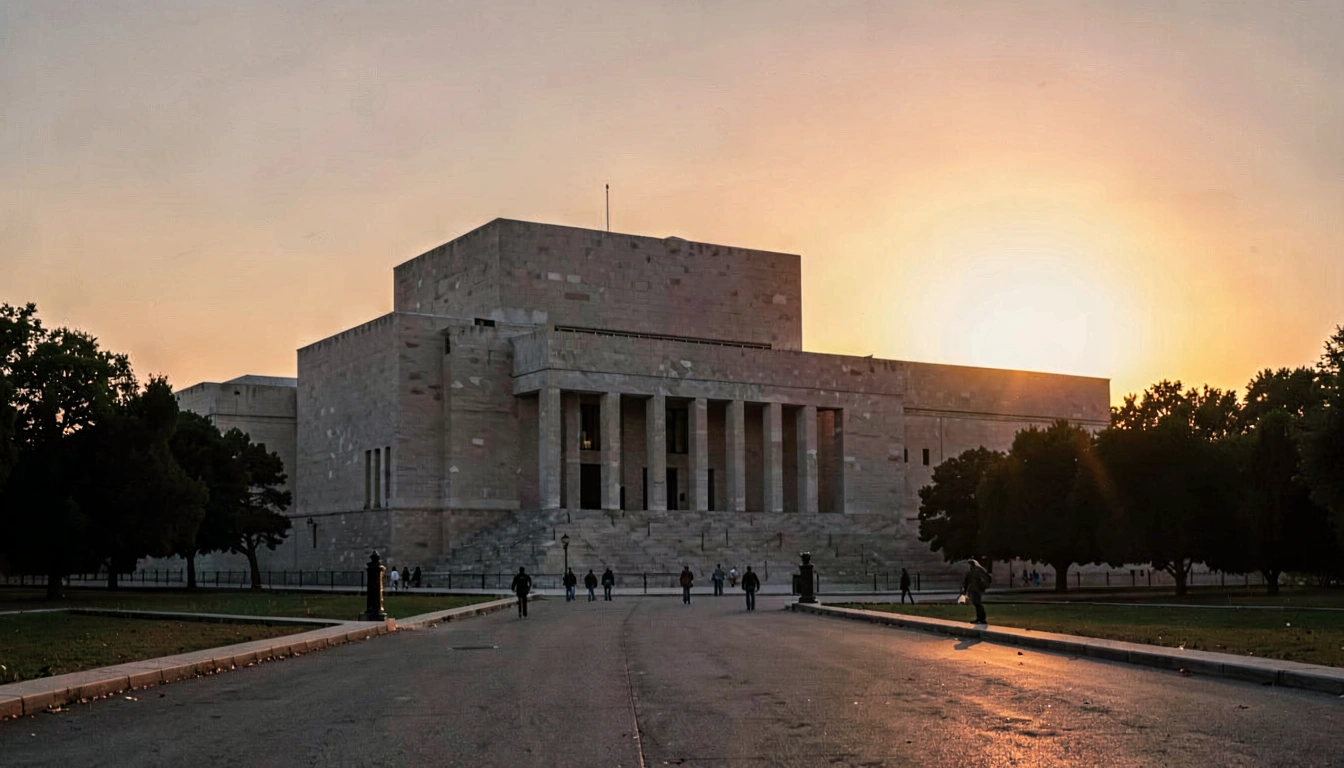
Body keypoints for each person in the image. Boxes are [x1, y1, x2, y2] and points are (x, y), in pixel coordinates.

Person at [961, 559, 991, 624]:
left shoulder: (972, 572)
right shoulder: (980, 570)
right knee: (978, 603)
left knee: (977, 604)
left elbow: (966, 582)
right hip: (979, 589)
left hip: (974, 590)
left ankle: (980, 618)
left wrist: (964, 591)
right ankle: (981, 618)